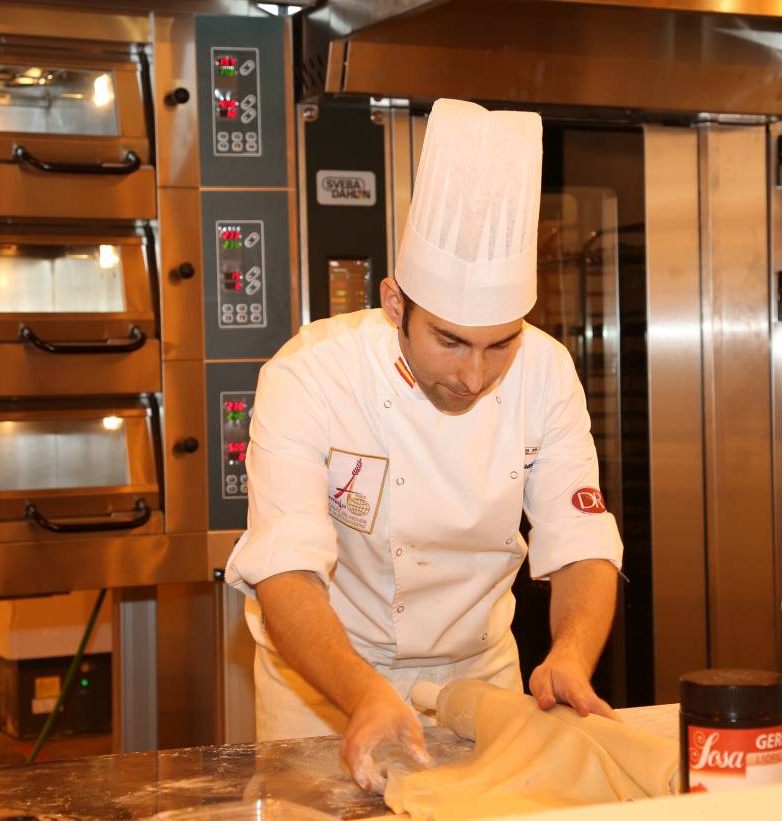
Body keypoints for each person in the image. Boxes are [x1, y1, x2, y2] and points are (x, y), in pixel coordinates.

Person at [225, 98, 623, 792]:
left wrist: (570, 653)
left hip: (479, 684)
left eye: (500, 343)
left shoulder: (548, 371)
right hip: (322, 692)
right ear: (395, 304)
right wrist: (365, 691)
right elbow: (284, 571)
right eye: (451, 341)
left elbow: (580, 537)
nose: (474, 375)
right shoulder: (310, 374)